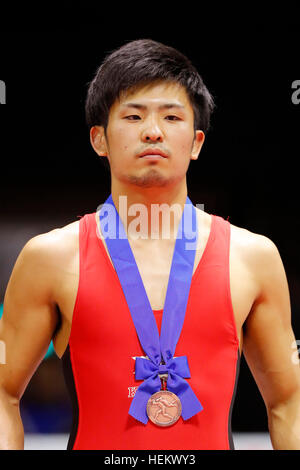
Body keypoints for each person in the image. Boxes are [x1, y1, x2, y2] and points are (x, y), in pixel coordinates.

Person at [0, 39, 300, 451]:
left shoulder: (253, 258)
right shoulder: (50, 258)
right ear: (99, 140)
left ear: (196, 143)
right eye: (134, 115)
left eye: (172, 116)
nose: (153, 131)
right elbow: (3, 392)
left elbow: (289, 403)